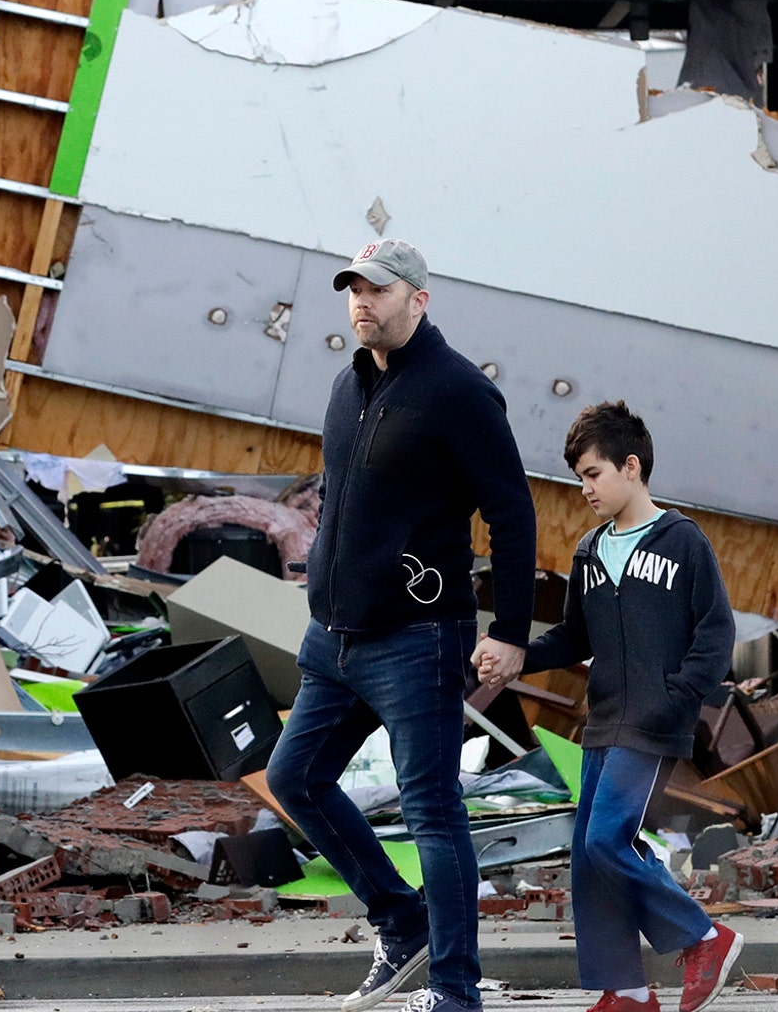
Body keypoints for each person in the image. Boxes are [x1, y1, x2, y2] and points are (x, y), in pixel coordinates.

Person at [268, 239, 538, 1012]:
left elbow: (513, 514)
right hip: (334, 640)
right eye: (354, 289)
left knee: (431, 808)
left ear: (419, 300)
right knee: (296, 777)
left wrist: (510, 631)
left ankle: (455, 990)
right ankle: (402, 923)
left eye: (379, 291)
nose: (363, 302)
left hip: (418, 638)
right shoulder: (346, 386)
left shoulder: (457, 392)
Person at [474, 401, 743, 1012]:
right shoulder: (590, 551)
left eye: (593, 474)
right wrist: (516, 652)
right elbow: (575, 637)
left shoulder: (682, 542)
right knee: (590, 856)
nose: (585, 489)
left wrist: (676, 699)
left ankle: (704, 937)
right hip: (604, 722)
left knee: (606, 841)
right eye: (579, 478)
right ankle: (624, 989)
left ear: (631, 466)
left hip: (652, 724)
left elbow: (716, 633)